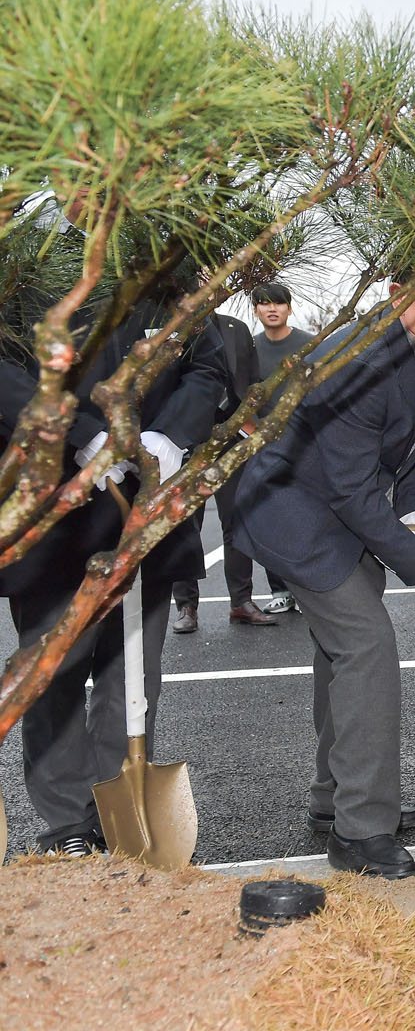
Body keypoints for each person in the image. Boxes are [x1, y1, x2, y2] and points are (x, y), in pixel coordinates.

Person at [234, 238, 415, 879]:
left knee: (339, 652)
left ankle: (334, 798)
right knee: (367, 646)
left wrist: (414, 509)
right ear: (399, 294)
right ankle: (361, 831)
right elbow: (349, 489)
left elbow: (403, 443)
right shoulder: (360, 360)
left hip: (341, 509)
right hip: (298, 517)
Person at [0, 257, 227, 856]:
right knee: (54, 670)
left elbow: (207, 364)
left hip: (146, 501)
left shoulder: (169, 271)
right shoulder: (27, 267)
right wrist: (81, 435)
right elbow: (5, 372)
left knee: (132, 674)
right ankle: (65, 823)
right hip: (55, 505)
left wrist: (169, 435)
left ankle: (115, 808)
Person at [171, 310, 277, 631]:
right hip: (186, 438)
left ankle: (241, 601)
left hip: (233, 436)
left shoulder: (236, 328)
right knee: (184, 524)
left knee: (237, 521)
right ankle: (186, 606)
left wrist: (252, 425)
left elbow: (252, 382)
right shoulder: (169, 327)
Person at [249, 282, 314, 615]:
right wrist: (257, 434)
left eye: (278, 303)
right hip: (263, 446)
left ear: (289, 307)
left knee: (305, 520)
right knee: (270, 519)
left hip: (305, 444)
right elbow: (241, 396)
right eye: (264, 303)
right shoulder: (249, 348)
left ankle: (308, 591)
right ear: (255, 310)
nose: (271, 309)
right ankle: (280, 590)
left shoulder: (309, 344)